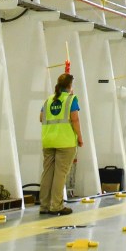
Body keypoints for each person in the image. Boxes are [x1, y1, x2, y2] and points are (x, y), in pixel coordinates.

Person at [37, 72, 82, 214]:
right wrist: (80, 137)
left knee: (47, 173)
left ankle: (44, 205)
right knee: (60, 174)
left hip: (48, 140)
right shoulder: (71, 99)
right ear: (69, 86)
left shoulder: (48, 100)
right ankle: (56, 205)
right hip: (65, 141)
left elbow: (41, 118)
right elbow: (75, 119)